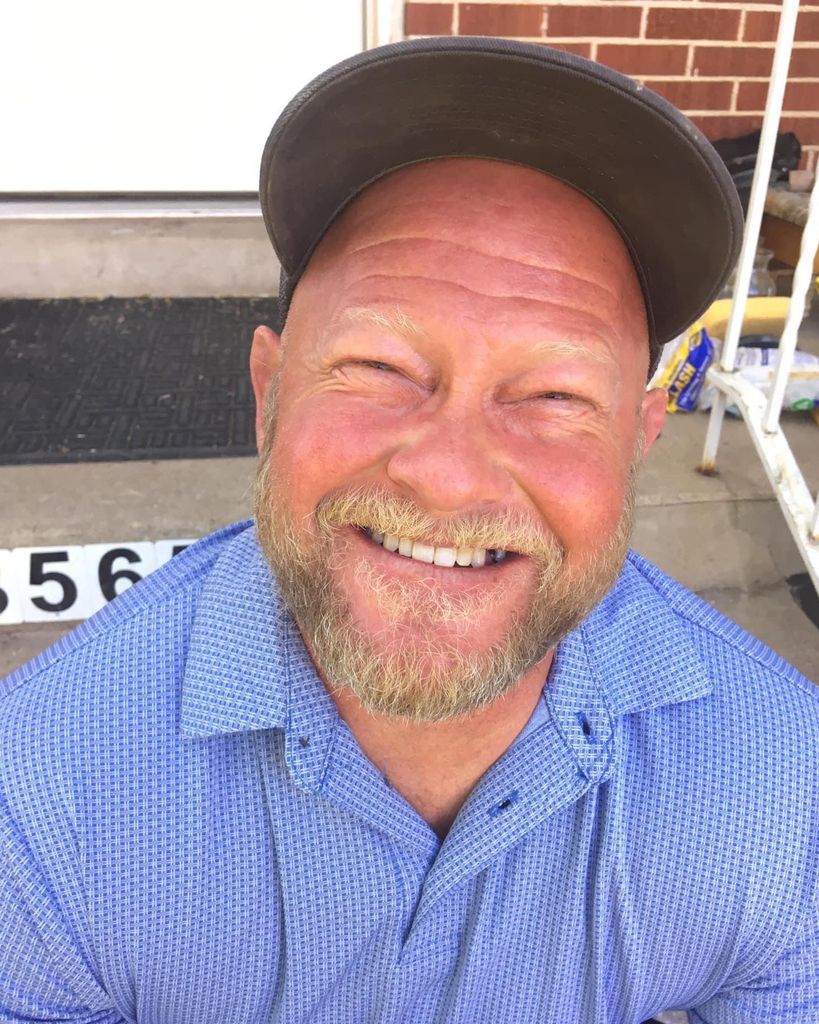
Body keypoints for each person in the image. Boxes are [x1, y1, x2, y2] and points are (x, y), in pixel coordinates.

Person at [1, 37, 816, 1024]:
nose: (448, 471)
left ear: (636, 443)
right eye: (380, 369)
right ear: (269, 396)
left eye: (554, 395)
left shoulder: (784, 788)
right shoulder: (40, 798)